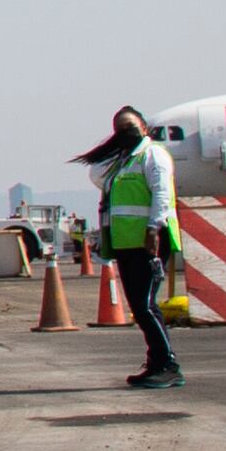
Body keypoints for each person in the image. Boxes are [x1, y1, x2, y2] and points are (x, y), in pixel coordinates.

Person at [89, 106, 186, 388]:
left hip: (149, 240)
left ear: (144, 128)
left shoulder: (153, 155)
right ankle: (156, 361)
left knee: (145, 304)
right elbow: (96, 174)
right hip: (125, 242)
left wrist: (154, 228)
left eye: (130, 128)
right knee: (140, 306)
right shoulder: (122, 162)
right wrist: (113, 148)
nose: (126, 133)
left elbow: (162, 194)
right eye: (120, 130)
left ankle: (168, 364)